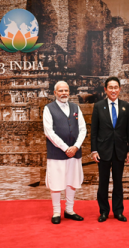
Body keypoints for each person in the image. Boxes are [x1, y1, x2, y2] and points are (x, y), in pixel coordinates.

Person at [91, 76, 129, 222]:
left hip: (120, 150)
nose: (113, 90)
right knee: (103, 183)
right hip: (103, 151)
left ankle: (118, 211)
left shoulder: (126, 106)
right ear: (105, 90)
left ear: (120, 89)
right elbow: (94, 131)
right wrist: (94, 150)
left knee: (118, 182)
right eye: (111, 87)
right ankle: (103, 211)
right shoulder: (98, 106)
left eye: (116, 87)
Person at [43, 81, 87, 224]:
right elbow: (49, 132)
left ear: (69, 92)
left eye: (66, 90)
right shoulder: (48, 109)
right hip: (57, 153)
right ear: (55, 93)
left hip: (74, 152)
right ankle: (56, 212)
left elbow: (83, 129)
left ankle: (69, 210)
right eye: (60, 91)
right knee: (56, 182)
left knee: (72, 181)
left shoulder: (75, 107)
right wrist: (65, 148)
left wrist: (75, 147)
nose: (64, 93)